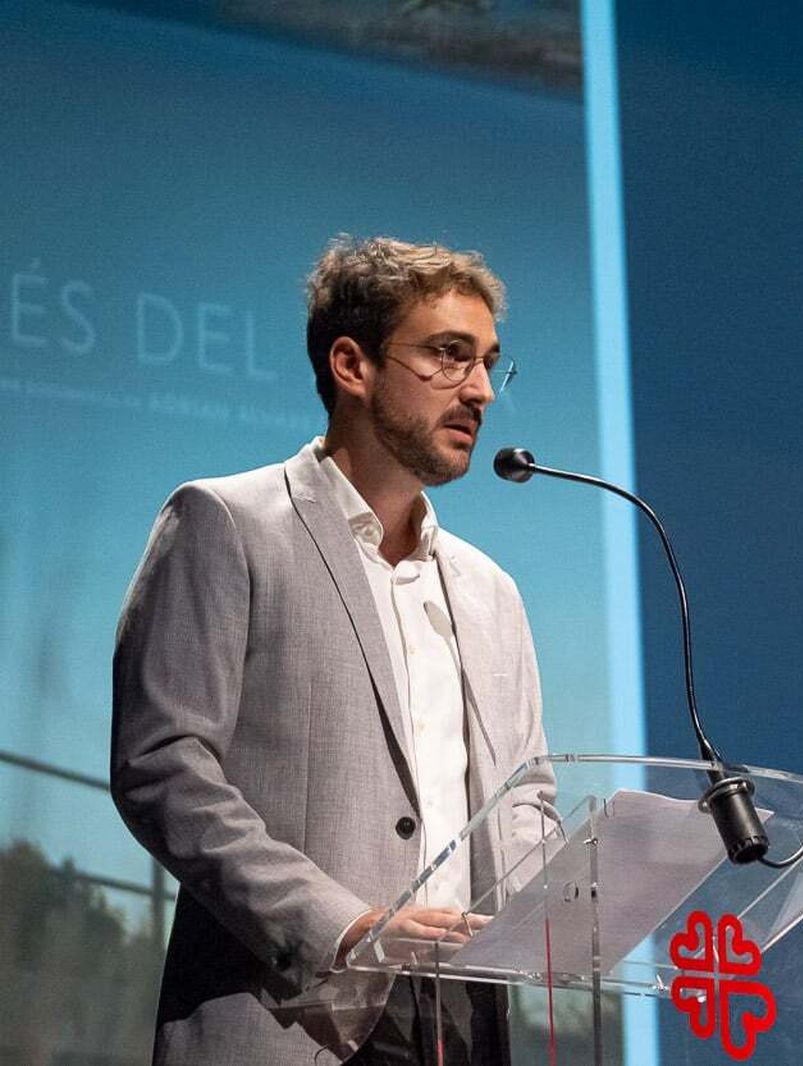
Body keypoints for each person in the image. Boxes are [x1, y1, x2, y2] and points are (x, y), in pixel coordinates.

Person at [111, 236, 557, 1065]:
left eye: (490, 362)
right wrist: (342, 926)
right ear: (352, 365)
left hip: (464, 1023)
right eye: (448, 355)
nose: (482, 391)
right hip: (291, 1012)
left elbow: (527, 795)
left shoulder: (491, 591)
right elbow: (163, 767)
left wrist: (572, 902)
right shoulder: (226, 525)